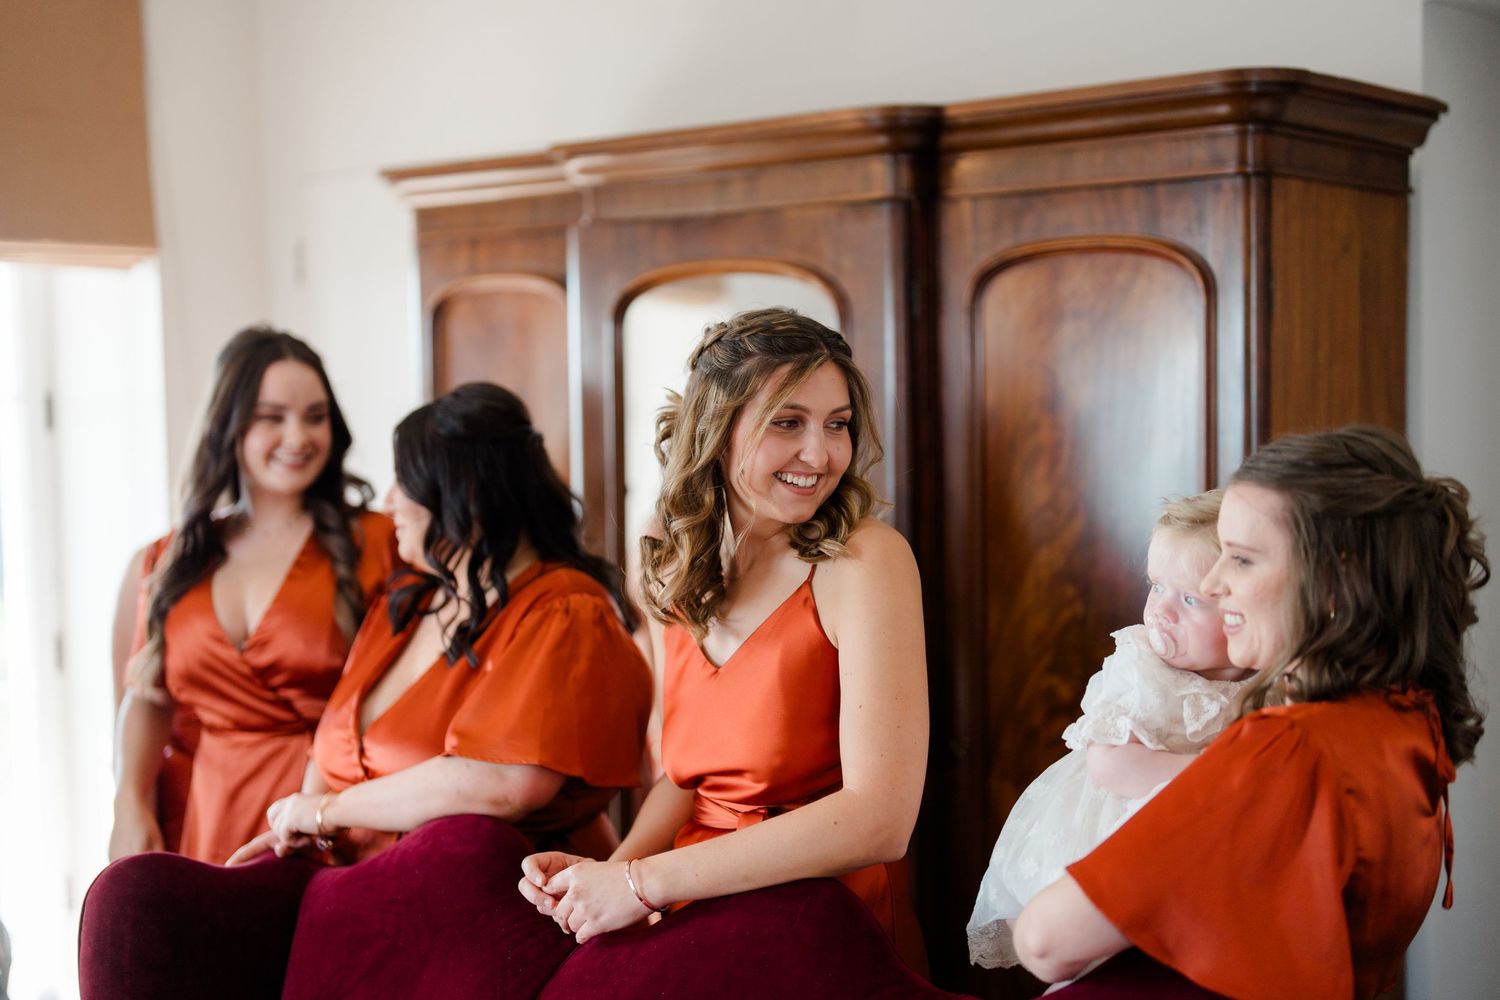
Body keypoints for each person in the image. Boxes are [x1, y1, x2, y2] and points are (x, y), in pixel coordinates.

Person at [517, 308, 930, 972]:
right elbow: (687, 778)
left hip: (820, 915)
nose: (820, 454)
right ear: (717, 428)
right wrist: (604, 879)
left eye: (838, 424)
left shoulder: (865, 562)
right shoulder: (671, 557)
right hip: (687, 898)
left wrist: (640, 884)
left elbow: (880, 818)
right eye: (787, 422)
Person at [1014, 425, 1487, 999]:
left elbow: (1043, 941)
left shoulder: (1290, 750)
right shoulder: (1407, 723)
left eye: (1240, 559)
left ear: (1333, 581)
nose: (1214, 582)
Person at [228, 382, 652, 865]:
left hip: (497, 891)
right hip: (358, 888)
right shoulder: (406, 605)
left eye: (403, 482)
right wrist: (297, 835)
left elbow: (507, 784)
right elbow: (327, 757)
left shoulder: (567, 612)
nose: (388, 502)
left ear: (464, 492)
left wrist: (328, 812)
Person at [110, 326, 397, 865]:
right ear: (230, 424)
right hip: (201, 814)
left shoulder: (378, 543)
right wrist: (128, 799)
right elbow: (148, 694)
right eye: (273, 417)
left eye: (315, 417)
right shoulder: (174, 556)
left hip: (326, 818)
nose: (298, 436)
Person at [967, 491, 1254, 969]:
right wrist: (1207, 771)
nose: (1162, 611)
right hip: (1108, 823)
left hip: (1199, 835)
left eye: (1190, 599)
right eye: (1156, 587)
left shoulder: (1262, 682)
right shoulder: (1140, 666)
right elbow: (1109, 763)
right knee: (1084, 949)